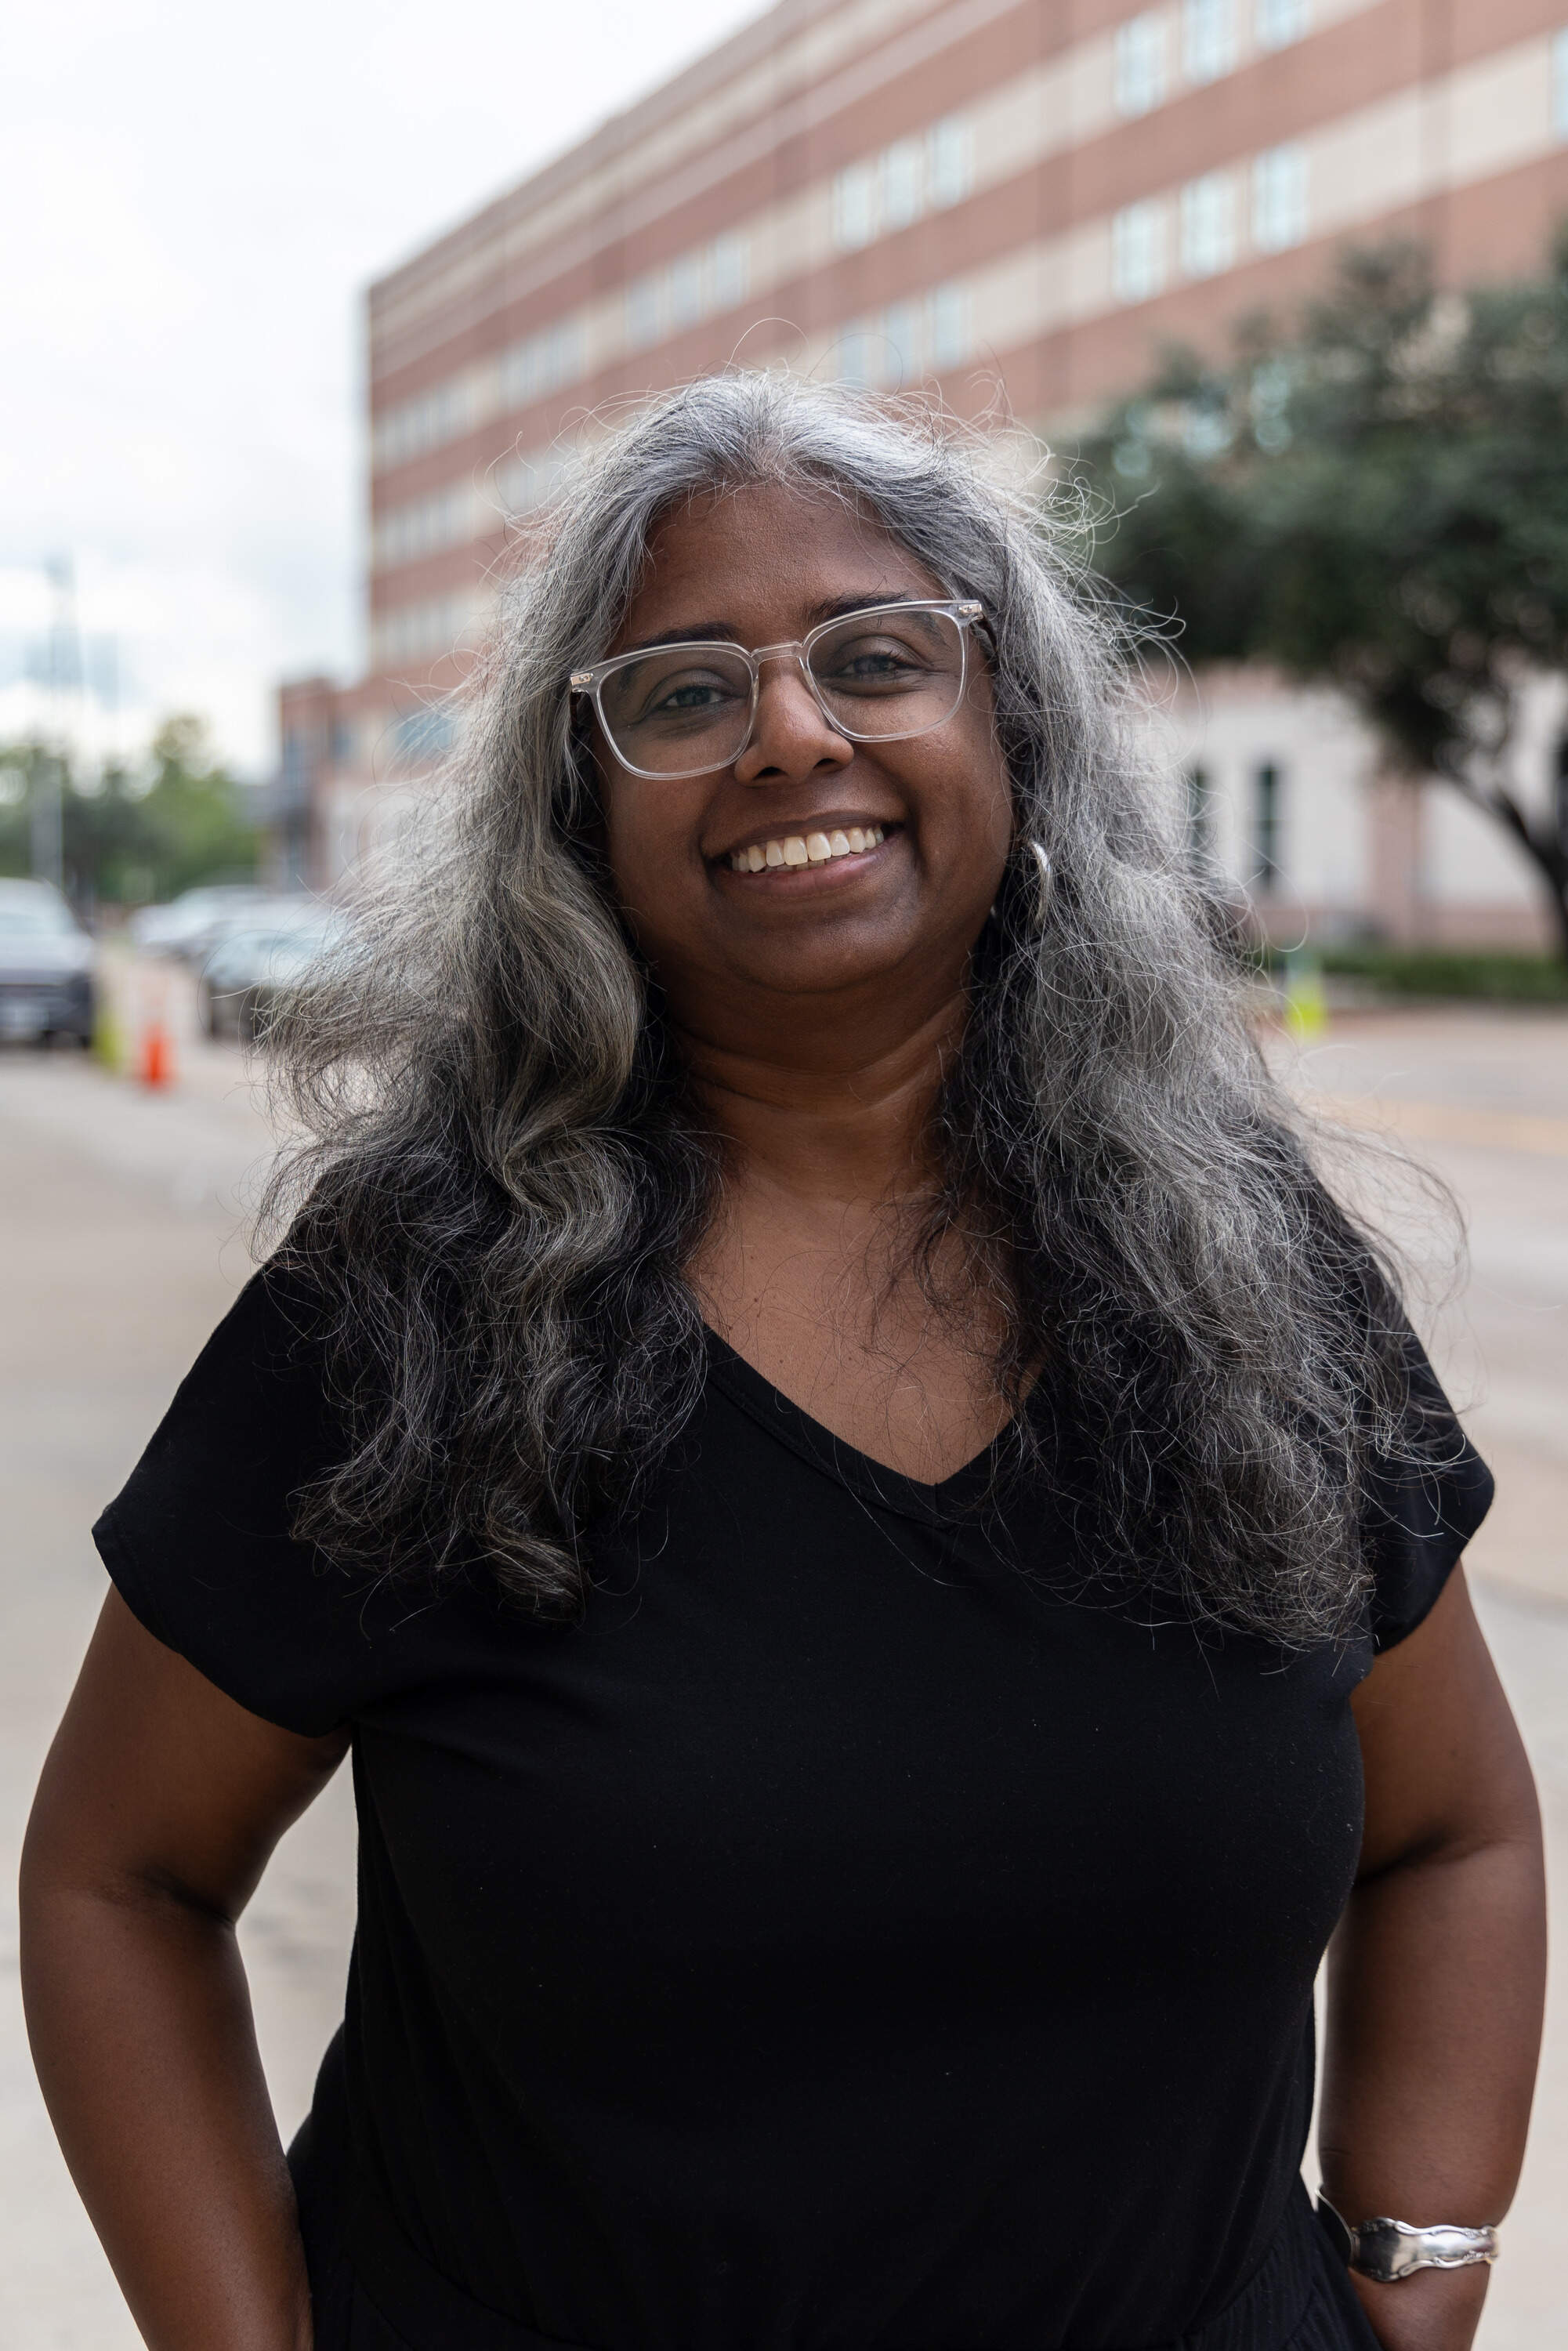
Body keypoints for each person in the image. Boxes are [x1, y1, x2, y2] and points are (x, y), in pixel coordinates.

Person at [20, 375, 1544, 2351]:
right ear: (582, 810)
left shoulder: (1229, 1263)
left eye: (877, 656)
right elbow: (116, 1883)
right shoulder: (414, 1302)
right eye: (682, 693)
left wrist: (1409, 2292)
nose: (794, 734)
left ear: (1014, 725)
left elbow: (1455, 1833)